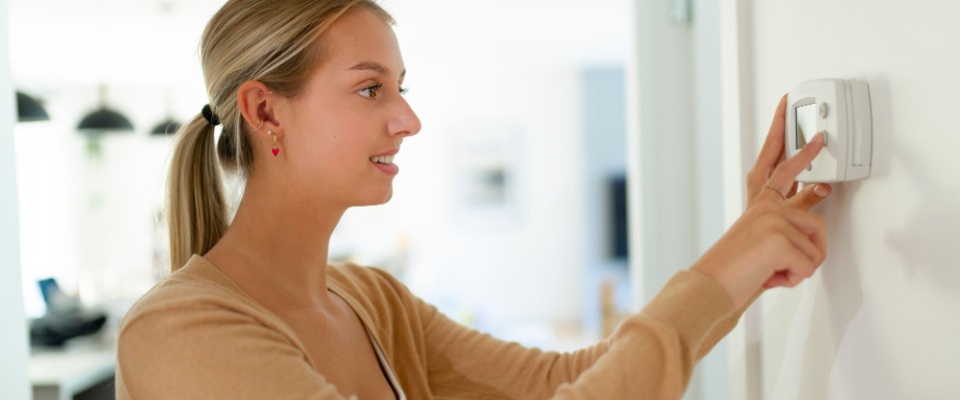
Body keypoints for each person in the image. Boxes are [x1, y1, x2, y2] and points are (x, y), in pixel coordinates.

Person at [115, 0, 832, 398]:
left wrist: (739, 259)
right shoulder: (182, 332)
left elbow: (566, 379)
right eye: (371, 89)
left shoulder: (371, 301)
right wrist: (719, 272)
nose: (408, 119)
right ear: (267, 113)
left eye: (402, 87)